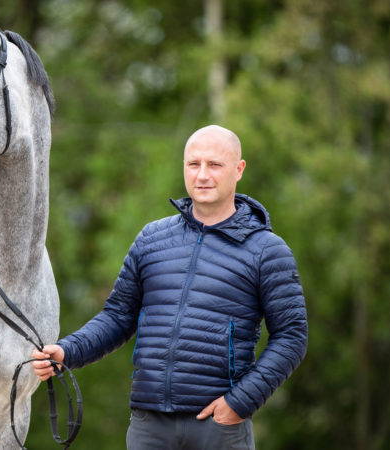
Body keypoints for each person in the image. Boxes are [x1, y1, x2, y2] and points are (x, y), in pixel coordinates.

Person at [32, 125, 308, 449]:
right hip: (149, 425)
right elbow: (118, 316)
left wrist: (241, 402)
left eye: (214, 165)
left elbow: (292, 336)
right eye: (194, 164)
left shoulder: (267, 250)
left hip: (218, 426)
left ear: (239, 169)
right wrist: (67, 351)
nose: (202, 175)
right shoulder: (152, 238)